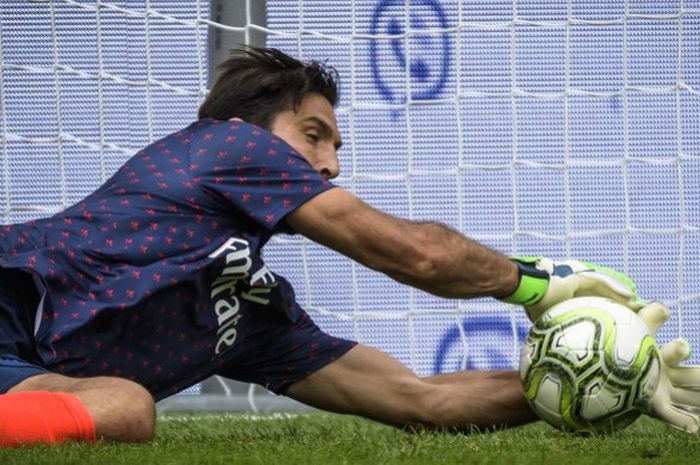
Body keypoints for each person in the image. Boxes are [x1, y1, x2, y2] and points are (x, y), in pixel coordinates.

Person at [0, 47, 697, 447]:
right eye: (313, 135)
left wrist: (603, 379)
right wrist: (535, 281)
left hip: (24, 368)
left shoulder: (248, 307)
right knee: (127, 408)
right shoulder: (225, 145)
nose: (331, 164)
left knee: (126, 409)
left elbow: (420, 399)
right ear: (248, 127)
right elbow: (413, 253)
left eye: (336, 147)